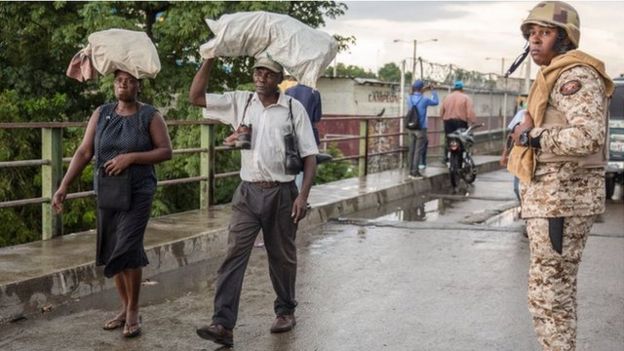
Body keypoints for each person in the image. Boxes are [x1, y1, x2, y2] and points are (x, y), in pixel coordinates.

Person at [189, 56, 318, 347]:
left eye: (268, 73)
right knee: (233, 255)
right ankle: (222, 324)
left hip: (282, 193)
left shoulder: (293, 109)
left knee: (282, 258)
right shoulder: (241, 102)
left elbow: (310, 156)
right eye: (257, 71)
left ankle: (285, 311)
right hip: (247, 192)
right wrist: (209, 58)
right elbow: (196, 97)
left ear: (279, 78)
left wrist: (302, 196)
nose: (260, 77)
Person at [508, 1, 614, 350]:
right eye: (531, 34)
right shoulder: (554, 75)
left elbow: (588, 136)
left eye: (544, 33)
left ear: (564, 38)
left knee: (551, 297)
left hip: (562, 202)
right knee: (552, 294)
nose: (535, 40)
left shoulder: (574, 76)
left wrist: (531, 136)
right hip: (552, 200)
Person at [51, 70, 172, 338]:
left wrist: (131, 158)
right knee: (113, 249)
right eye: (119, 80)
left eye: (129, 80)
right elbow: (84, 151)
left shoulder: (149, 115)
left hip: (139, 191)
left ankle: (133, 310)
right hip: (108, 191)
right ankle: (123, 307)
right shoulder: (102, 113)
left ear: (138, 85)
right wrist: (64, 186)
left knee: (128, 246)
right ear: (113, 84)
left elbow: (165, 151)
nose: (123, 84)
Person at [285, 83, 331, 189]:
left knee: (291, 164)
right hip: (309, 133)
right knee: (306, 166)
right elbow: (317, 117)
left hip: (291, 134)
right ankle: (300, 196)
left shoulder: (288, 91)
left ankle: (291, 195)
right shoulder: (314, 92)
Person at [406, 79, 438, 178]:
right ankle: (415, 172)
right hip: (421, 128)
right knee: (418, 150)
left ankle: (410, 170)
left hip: (411, 127)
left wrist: (422, 89)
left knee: (411, 149)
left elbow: (415, 92)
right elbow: (435, 102)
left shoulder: (409, 98)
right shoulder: (424, 99)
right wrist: (432, 90)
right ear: (421, 88)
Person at [500, 108, 526, 202]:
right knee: (517, 188)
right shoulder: (522, 113)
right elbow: (511, 136)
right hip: (519, 156)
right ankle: (522, 206)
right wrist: (504, 154)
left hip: (534, 157)